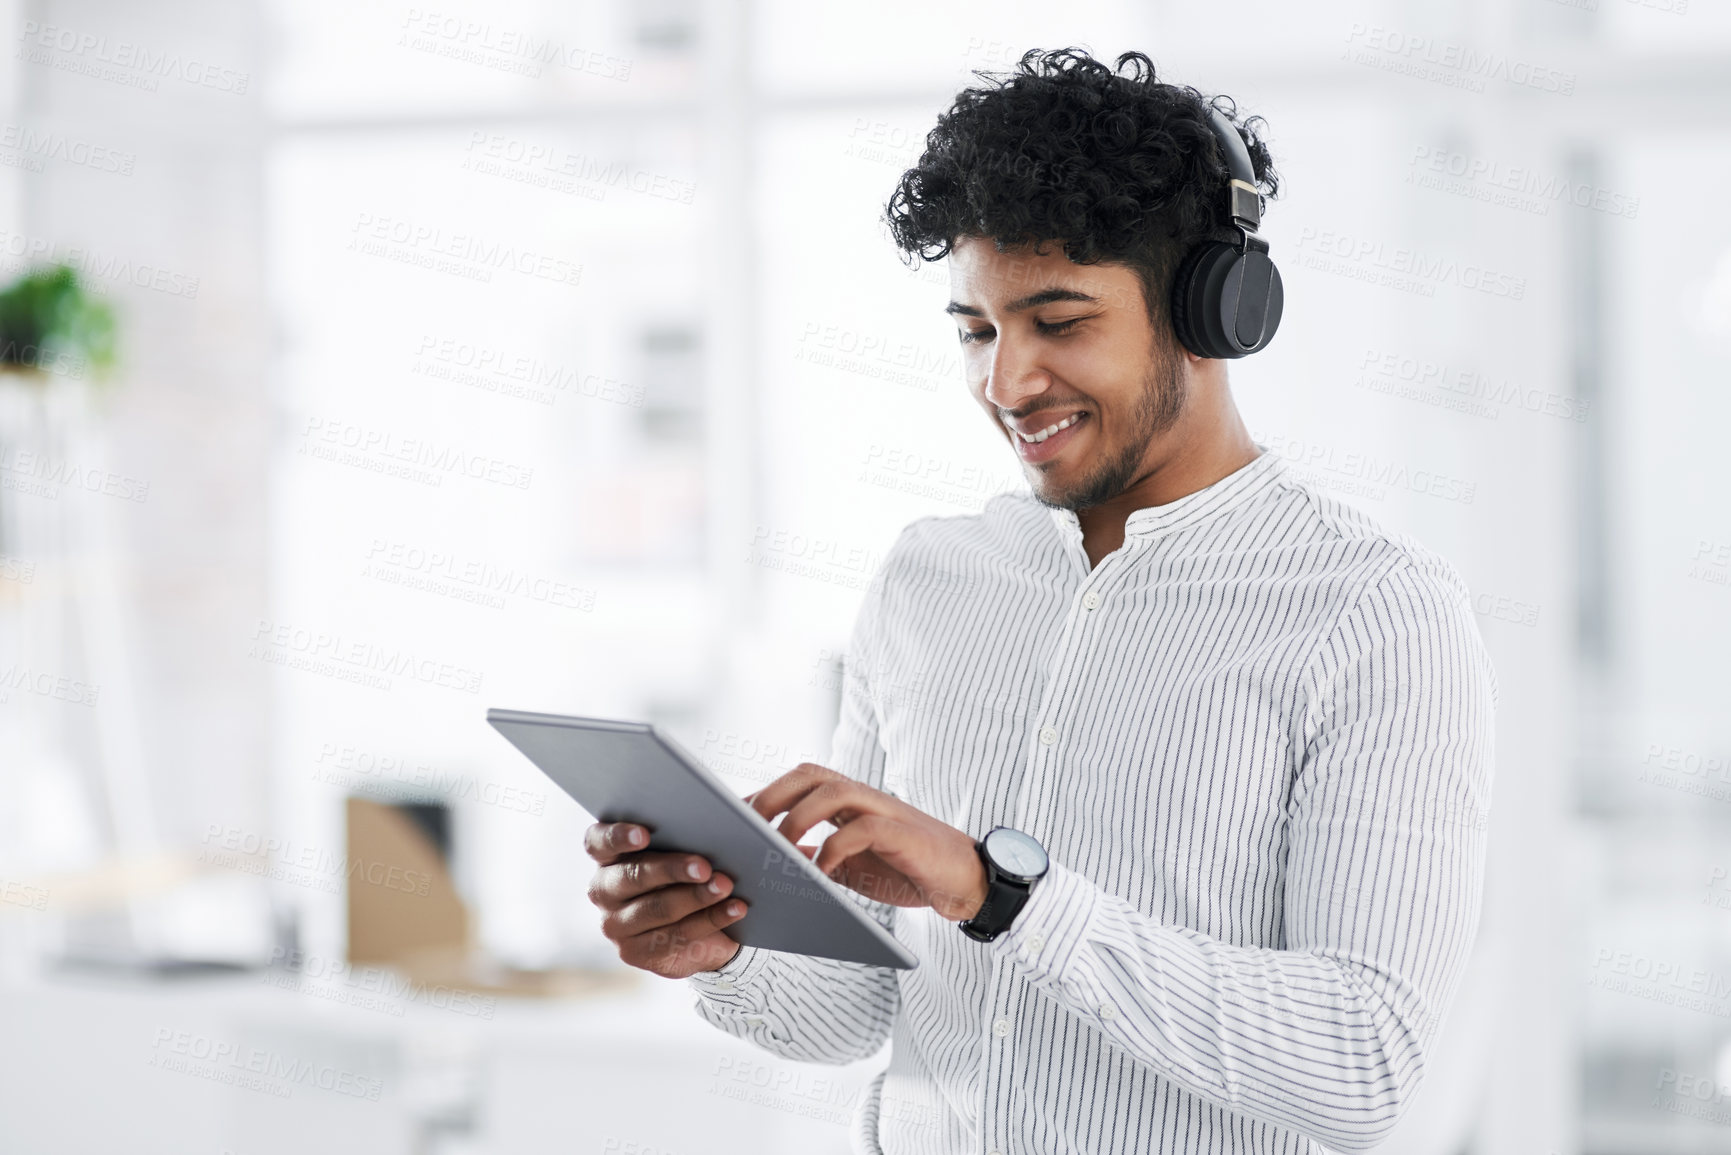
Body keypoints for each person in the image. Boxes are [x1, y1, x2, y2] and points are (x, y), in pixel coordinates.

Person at [584, 47, 1497, 1154]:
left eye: (1059, 323)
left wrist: (1006, 897)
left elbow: (1360, 1065)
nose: (1005, 384)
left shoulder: (1374, 616)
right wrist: (722, 951)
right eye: (977, 331)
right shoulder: (930, 581)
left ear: (1214, 312)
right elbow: (863, 1011)